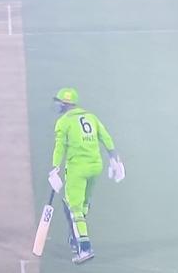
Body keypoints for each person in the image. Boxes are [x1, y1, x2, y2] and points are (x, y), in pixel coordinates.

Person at [49, 87, 125, 264]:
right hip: (95, 166)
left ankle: (84, 248)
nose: (58, 106)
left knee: (74, 209)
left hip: (77, 168)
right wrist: (115, 159)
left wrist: (54, 169)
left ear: (65, 104)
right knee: (81, 203)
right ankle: (75, 236)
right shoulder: (91, 117)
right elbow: (105, 137)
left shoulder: (63, 122)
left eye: (60, 102)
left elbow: (59, 147)